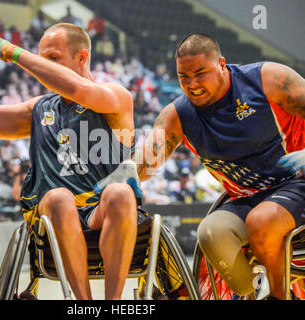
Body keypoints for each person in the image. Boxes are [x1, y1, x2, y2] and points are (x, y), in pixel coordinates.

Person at [99, 33, 305, 300]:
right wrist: (124, 172)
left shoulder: (267, 78)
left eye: (200, 73)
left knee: (261, 219)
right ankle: (250, 293)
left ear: (221, 64)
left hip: (295, 182)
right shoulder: (179, 114)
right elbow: (148, 157)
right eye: (184, 77)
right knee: (210, 232)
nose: (192, 84)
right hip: (246, 197)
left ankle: (280, 296)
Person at [0, 23, 137, 300]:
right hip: (51, 214)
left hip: (102, 212)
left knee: (120, 191)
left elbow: (78, 89)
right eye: (42, 59)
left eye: (53, 59)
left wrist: (13, 52)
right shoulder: (40, 107)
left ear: (81, 58)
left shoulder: (116, 97)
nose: (43, 67)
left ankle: (112, 303)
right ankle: (83, 305)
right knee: (59, 197)